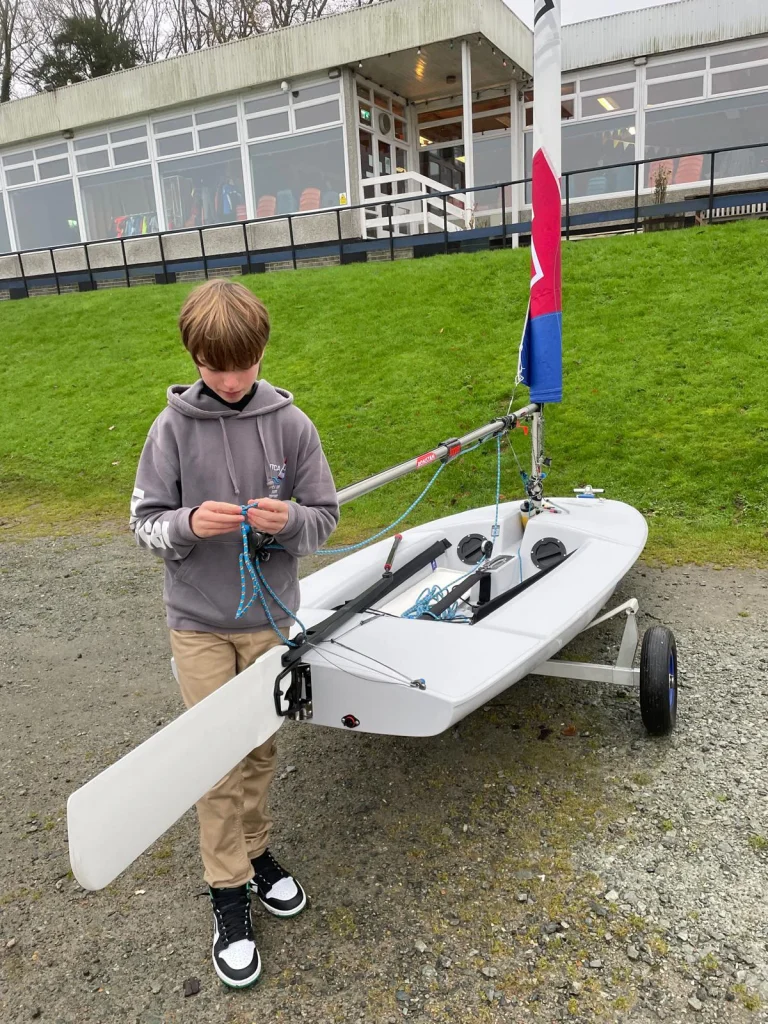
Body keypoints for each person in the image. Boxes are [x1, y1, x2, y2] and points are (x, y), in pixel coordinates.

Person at [129, 279, 339, 988]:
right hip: (200, 625)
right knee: (214, 757)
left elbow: (326, 516)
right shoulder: (171, 430)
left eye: (241, 366)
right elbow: (145, 523)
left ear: (260, 353)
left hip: (271, 619)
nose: (228, 380)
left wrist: (290, 522)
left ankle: (254, 853)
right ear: (192, 357)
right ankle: (227, 891)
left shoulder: (292, 424)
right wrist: (188, 525)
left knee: (257, 748)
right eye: (214, 367)